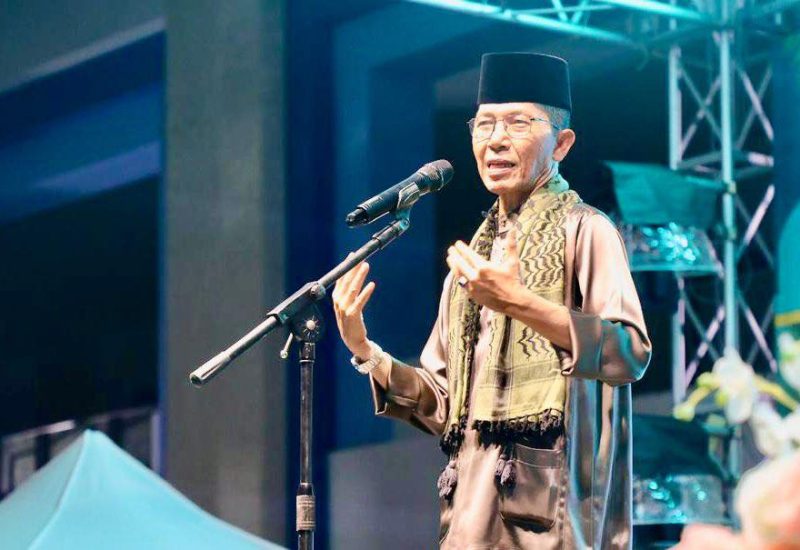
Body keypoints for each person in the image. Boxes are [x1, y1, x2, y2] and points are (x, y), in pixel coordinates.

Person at [332, 52, 652, 549]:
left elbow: (628, 353)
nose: (496, 139)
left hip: (552, 523)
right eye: (484, 125)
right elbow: (442, 406)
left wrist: (520, 303)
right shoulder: (473, 262)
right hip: (468, 525)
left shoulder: (586, 231)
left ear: (562, 143)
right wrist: (365, 350)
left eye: (518, 123)